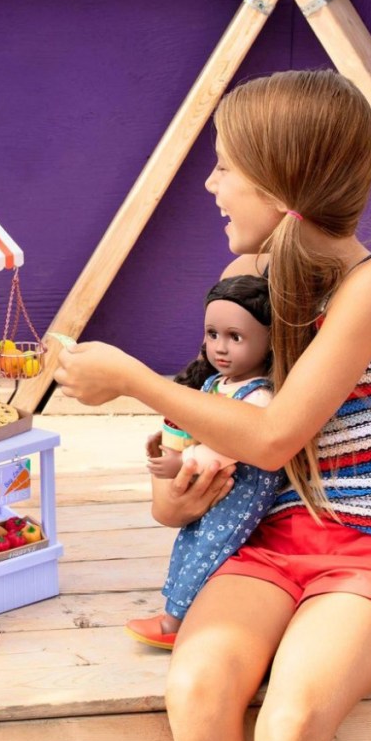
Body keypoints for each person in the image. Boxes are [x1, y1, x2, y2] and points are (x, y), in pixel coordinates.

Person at [55, 69, 371, 741]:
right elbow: (223, 410)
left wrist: (132, 379)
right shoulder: (258, 278)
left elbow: (271, 436)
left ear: (275, 180)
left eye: (224, 166)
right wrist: (173, 489)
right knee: (198, 691)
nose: (211, 185)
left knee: (289, 725)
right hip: (268, 543)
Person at [126, 275, 280, 650]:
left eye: (235, 337)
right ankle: (175, 610)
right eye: (212, 335)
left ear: (269, 341)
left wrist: (181, 461)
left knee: (210, 551)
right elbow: (196, 423)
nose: (220, 348)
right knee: (189, 543)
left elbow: (228, 445)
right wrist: (170, 440)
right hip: (213, 488)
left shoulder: (258, 395)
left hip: (239, 490)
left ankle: (175, 620)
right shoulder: (217, 383)